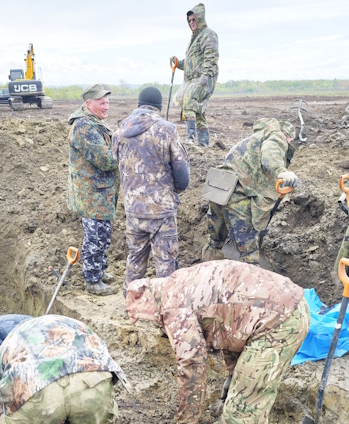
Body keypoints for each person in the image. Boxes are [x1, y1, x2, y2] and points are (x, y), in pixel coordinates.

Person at [125, 261, 310, 424]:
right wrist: (233, 374)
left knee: (241, 411)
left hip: (278, 322)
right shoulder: (179, 281)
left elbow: (192, 364)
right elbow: (228, 321)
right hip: (283, 305)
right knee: (238, 400)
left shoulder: (173, 307)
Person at [112, 86, 190, 288]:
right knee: (165, 262)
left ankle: (131, 303)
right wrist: (173, 190)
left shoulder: (119, 132)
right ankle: (165, 309)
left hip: (133, 210)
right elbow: (182, 173)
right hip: (161, 211)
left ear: (138, 105)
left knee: (135, 258)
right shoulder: (167, 130)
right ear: (158, 107)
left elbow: (118, 166)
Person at [200, 118, 299, 265]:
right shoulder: (277, 137)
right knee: (249, 252)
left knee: (214, 241)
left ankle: (208, 275)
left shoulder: (251, 140)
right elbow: (269, 154)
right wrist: (281, 171)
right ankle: (249, 284)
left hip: (218, 189)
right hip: (237, 195)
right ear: (288, 137)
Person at [67, 84, 120, 296]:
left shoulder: (94, 123)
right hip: (92, 195)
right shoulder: (85, 128)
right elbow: (106, 160)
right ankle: (92, 279)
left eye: (107, 102)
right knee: (95, 237)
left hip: (99, 193)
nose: (106, 106)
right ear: (88, 103)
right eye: (102, 103)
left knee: (102, 235)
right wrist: (124, 150)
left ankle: (98, 270)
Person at [171, 4, 218, 146]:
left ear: (200, 19)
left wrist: (206, 75)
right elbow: (191, 64)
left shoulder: (208, 34)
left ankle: (190, 139)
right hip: (192, 79)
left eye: (194, 19)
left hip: (204, 78)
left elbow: (211, 56)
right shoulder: (194, 38)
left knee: (188, 100)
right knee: (199, 112)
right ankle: (203, 145)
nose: (192, 22)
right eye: (190, 20)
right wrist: (178, 63)